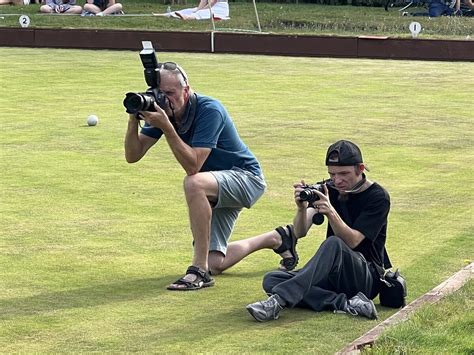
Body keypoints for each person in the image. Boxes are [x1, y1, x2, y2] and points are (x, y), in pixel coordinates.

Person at [124, 62, 299, 291]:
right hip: (215, 186)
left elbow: (193, 166)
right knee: (215, 262)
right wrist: (133, 119)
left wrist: (167, 128)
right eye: (160, 94)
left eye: (170, 93)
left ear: (186, 90)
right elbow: (132, 155)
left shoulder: (209, 109)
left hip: (246, 178)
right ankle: (276, 238)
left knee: (193, 183)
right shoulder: (165, 114)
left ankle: (198, 272)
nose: (165, 99)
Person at [246, 140, 392, 322]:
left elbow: (353, 241)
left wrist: (330, 211)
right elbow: (299, 232)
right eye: (332, 174)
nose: (337, 180)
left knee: (334, 243)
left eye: (344, 174)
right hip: (333, 274)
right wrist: (301, 208)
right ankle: (345, 304)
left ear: (360, 168)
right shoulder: (329, 188)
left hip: (365, 276)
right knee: (272, 279)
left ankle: (278, 301)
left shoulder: (378, 197)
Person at [153, 0, 229, 20]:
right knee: (190, 10)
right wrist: (198, 9)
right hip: (210, 5)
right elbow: (203, 1)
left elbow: (212, 2)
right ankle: (167, 14)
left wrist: (200, 11)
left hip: (220, 8)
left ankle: (187, 17)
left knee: (202, 13)